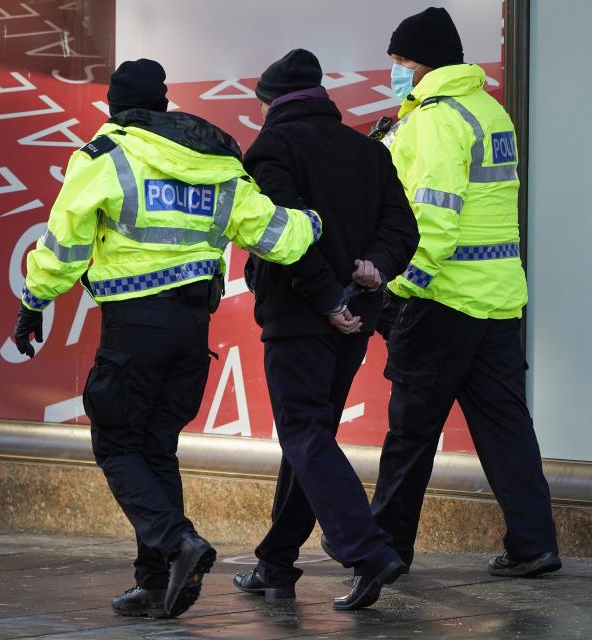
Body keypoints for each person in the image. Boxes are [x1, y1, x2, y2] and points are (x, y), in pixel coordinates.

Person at [11, 58, 322, 619]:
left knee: (116, 442)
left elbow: (63, 248)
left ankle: (178, 543)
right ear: (162, 104)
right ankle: (154, 584)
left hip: (135, 328)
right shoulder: (214, 159)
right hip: (191, 331)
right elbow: (274, 233)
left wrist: (33, 302)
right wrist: (321, 223)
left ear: (115, 106)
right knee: (156, 447)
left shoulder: (105, 157)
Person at [324, 7, 562, 579]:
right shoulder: (488, 110)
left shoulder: (434, 120)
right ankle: (534, 543)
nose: (396, 71)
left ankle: (385, 547)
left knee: (411, 428)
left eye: (401, 61)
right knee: (505, 425)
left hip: (443, 298)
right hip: (498, 296)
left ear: (422, 61)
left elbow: (434, 216)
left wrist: (402, 284)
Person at [232, 49, 418, 610]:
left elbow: (281, 235)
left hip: (301, 315)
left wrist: (323, 297)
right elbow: (401, 226)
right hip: (355, 315)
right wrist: (377, 265)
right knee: (309, 435)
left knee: (303, 433)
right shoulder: (366, 149)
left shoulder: (271, 149)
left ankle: (367, 550)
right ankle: (276, 562)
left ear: (271, 103)